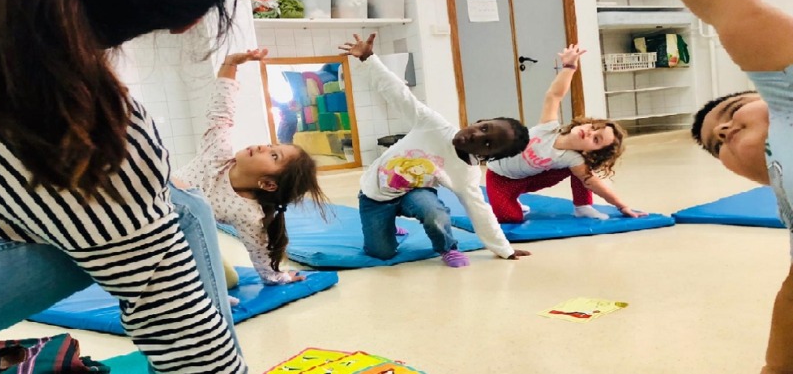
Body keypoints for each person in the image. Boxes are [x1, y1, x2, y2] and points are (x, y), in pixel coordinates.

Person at [0, 0, 248, 373]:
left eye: (272, 155)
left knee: (172, 212)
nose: (256, 151)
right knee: (179, 213)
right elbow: (180, 324)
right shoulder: (84, 132)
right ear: (187, 23)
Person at [339, 34, 532, 267]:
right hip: (375, 195)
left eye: (487, 143)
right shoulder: (434, 125)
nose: (477, 135)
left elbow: (479, 210)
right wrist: (369, 58)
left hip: (415, 193)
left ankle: (447, 248)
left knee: (435, 213)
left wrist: (504, 249)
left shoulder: (466, 173)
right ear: (479, 120)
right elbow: (398, 93)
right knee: (382, 253)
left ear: (487, 157)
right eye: (483, 128)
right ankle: (388, 224)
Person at [676, 0, 793, 372]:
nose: (723, 129)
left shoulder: (786, 100)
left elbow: (729, 6)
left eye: (731, 110)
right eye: (715, 145)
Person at [174, 49, 329, 286]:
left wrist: (276, 277)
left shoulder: (248, 213)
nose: (261, 147)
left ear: (268, 184)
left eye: (273, 155)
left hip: (182, 237)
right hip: (149, 216)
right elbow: (220, 113)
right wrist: (230, 64)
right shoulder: (217, 156)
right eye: (269, 145)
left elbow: (258, 250)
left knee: (228, 282)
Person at [485, 45, 647, 224]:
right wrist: (569, 68)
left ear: (590, 152)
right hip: (501, 177)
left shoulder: (572, 159)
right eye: (593, 127)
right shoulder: (548, 128)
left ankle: (582, 206)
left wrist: (622, 206)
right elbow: (554, 95)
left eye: (596, 139)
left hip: (529, 178)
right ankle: (511, 199)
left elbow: (592, 182)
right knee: (511, 218)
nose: (589, 132)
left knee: (584, 173)